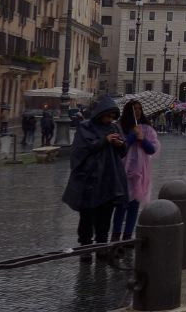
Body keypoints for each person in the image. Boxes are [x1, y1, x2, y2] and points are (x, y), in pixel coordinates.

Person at [62, 96, 128, 260]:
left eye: (113, 116)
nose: (110, 119)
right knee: (87, 215)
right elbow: (81, 150)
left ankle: (101, 246)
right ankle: (85, 247)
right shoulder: (86, 127)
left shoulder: (114, 128)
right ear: (100, 114)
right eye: (108, 115)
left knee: (105, 216)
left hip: (109, 179)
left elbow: (123, 152)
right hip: (90, 179)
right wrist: (104, 141)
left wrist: (121, 145)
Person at [112, 100, 159, 241]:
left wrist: (143, 139)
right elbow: (122, 147)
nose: (138, 111)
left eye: (140, 109)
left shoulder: (145, 128)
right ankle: (115, 235)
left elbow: (152, 149)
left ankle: (127, 236)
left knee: (134, 205)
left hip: (139, 171)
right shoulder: (119, 127)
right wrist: (133, 136)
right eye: (134, 109)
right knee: (121, 204)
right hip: (123, 170)